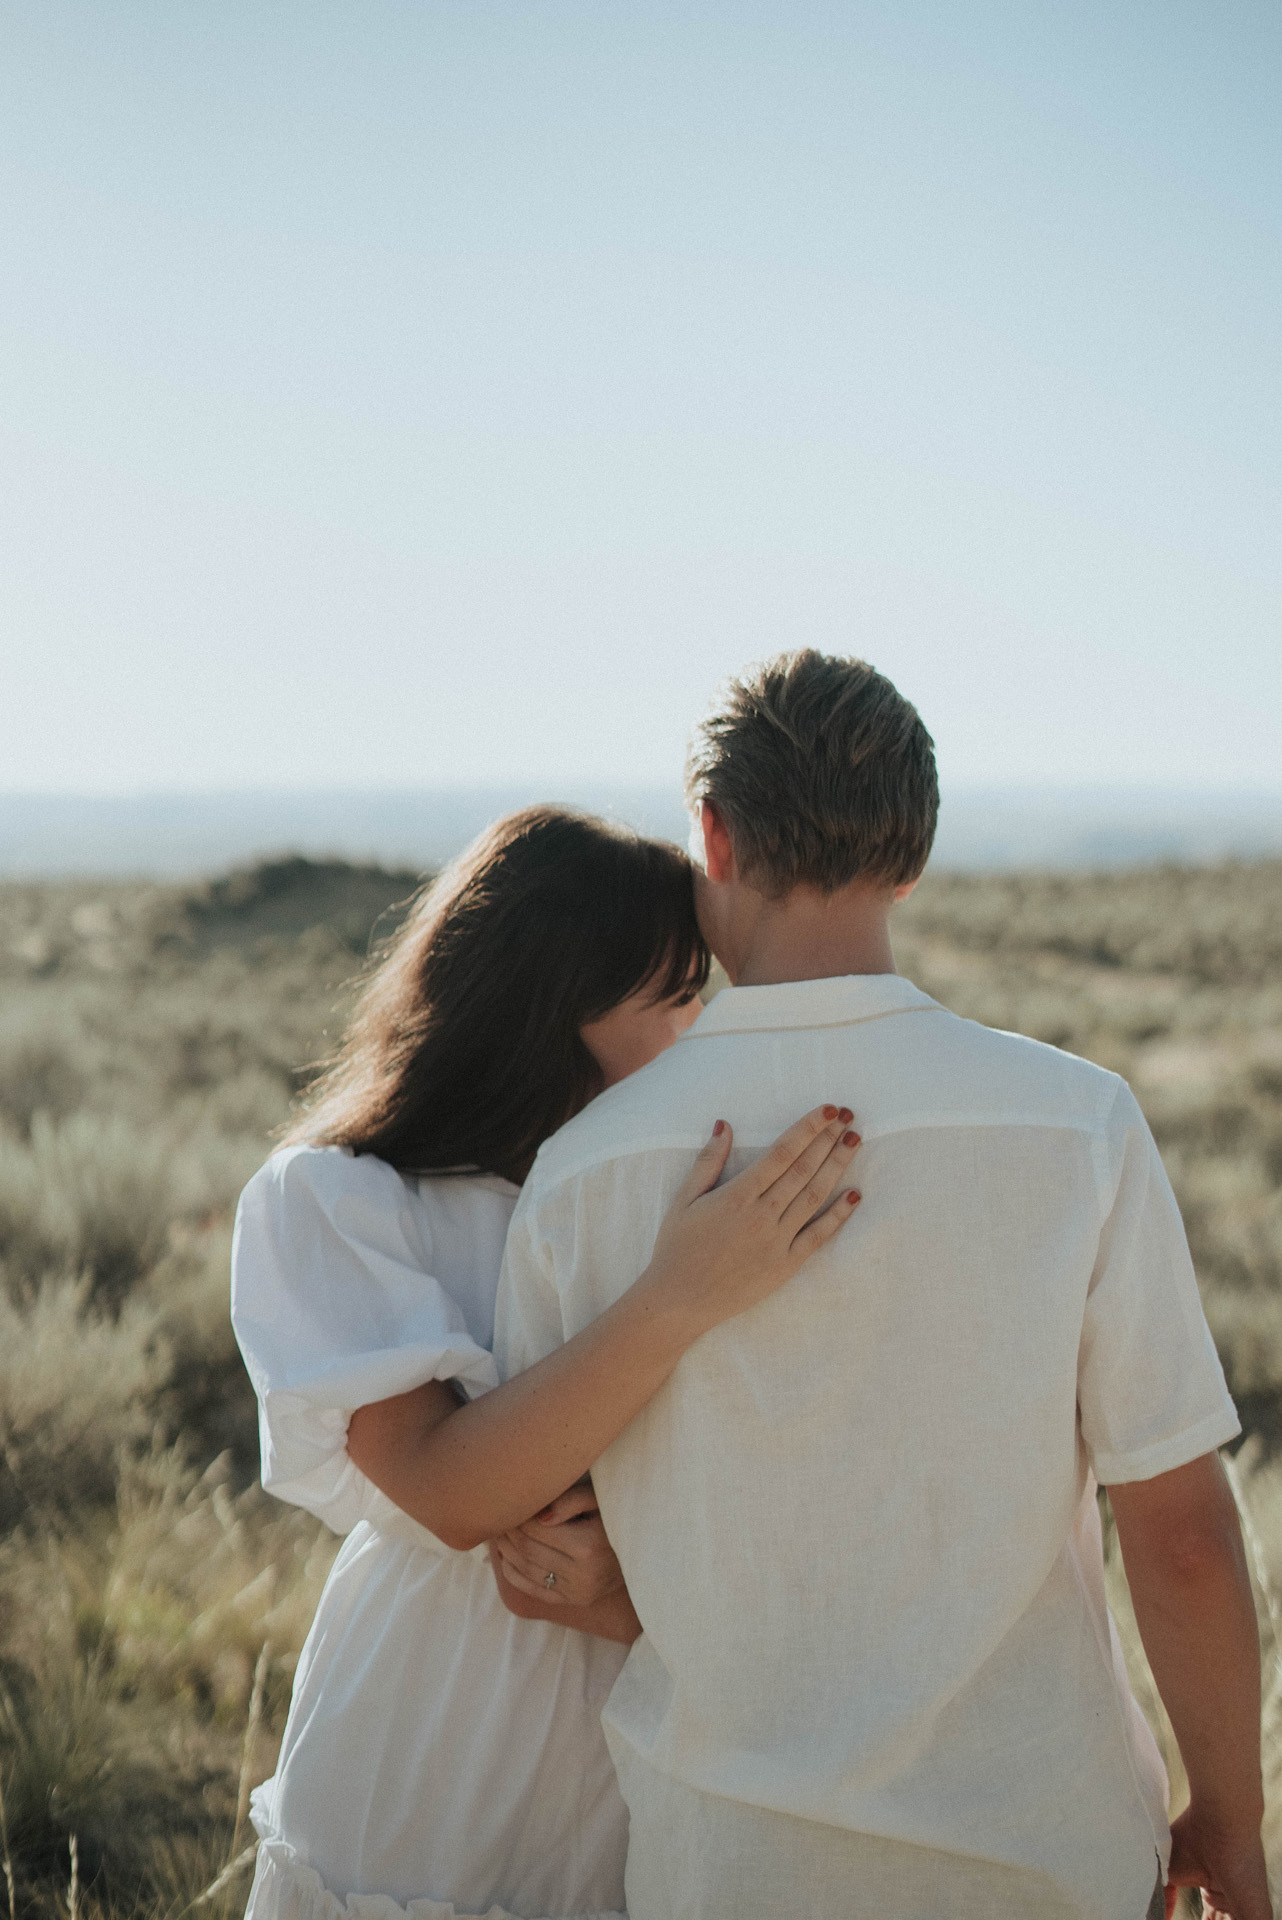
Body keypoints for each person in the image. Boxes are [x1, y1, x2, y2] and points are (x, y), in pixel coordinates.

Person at [495, 655, 1271, 1920]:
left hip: (725, 1870)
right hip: (1048, 1855)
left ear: (714, 834)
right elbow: (1179, 1538)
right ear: (912, 857)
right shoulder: (1077, 1127)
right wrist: (1231, 1824)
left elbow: (547, 1560)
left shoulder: (585, 1172)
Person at [230, 805, 863, 1920]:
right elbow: (451, 1489)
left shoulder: (658, 1201)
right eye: (672, 998)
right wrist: (677, 1298)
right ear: (556, 999)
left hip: (643, 1722)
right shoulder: (341, 1198)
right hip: (433, 1732)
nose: (698, 1033)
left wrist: (630, 1595)